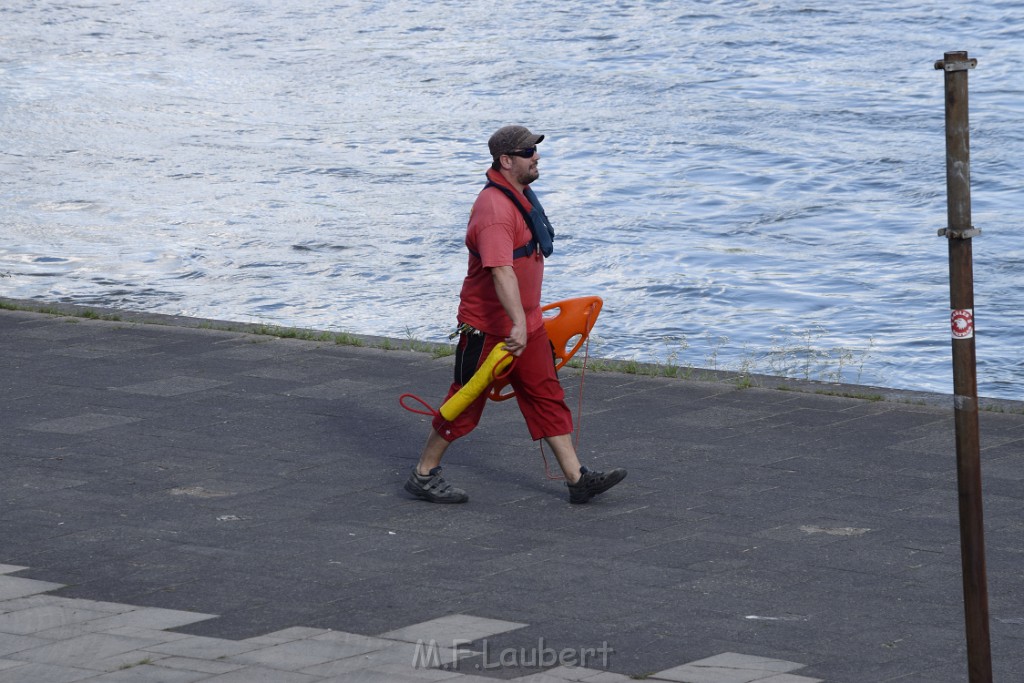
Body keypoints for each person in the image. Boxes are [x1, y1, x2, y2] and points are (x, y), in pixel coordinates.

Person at [403, 125, 627, 505]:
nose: (536, 156)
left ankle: (577, 480)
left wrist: (527, 322)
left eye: (534, 151)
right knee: (466, 402)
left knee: (546, 396)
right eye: (527, 152)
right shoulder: (493, 209)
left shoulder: (520, 196)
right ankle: (424, 473)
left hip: (526, 325)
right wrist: (518, 325)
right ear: (506, 161)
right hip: (489, 331)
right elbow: (500, 269)